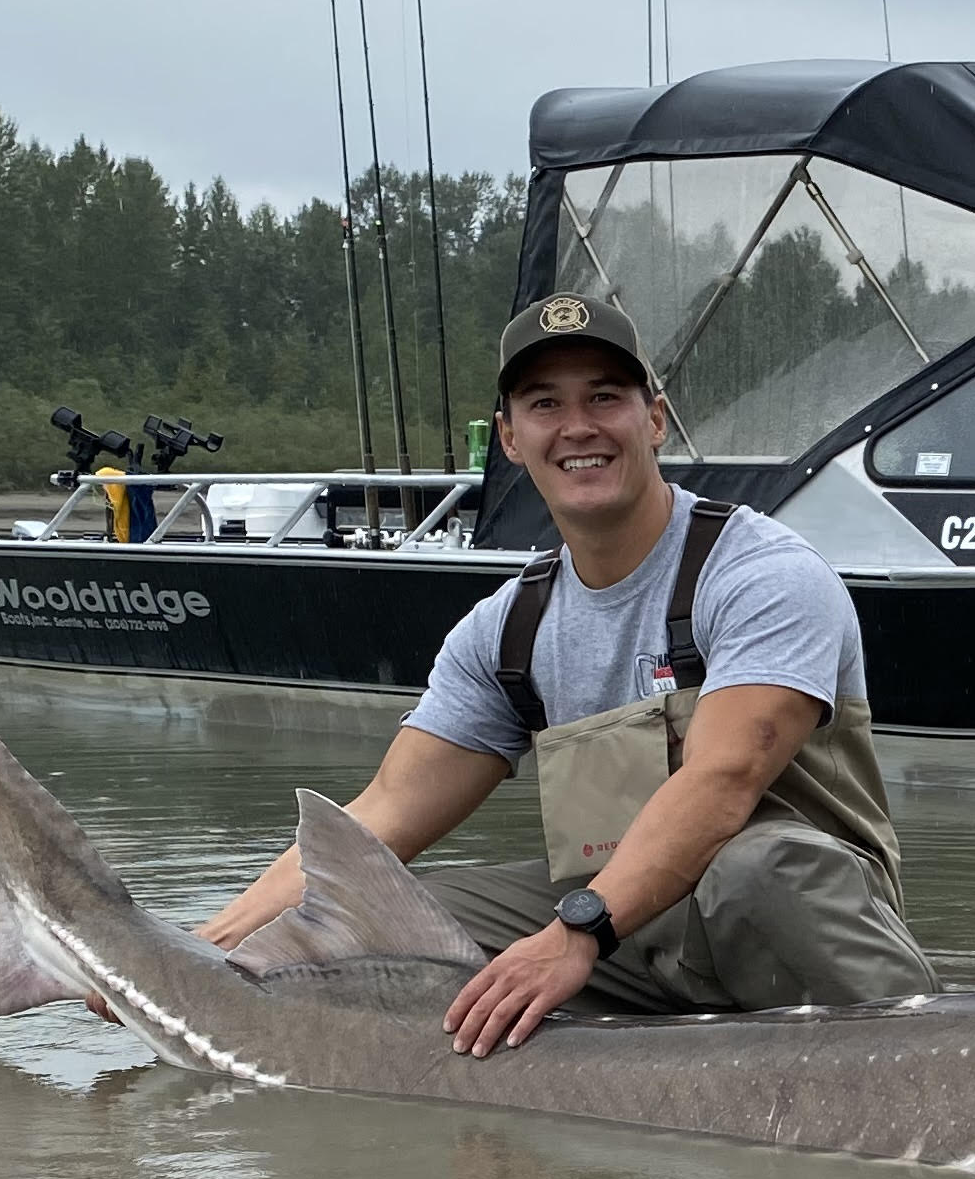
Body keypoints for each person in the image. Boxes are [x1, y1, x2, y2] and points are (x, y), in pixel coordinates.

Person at [192, 290, 933, 1056]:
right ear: (511, 439)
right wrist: (211, 949)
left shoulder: (762, 571)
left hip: (772, 929)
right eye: (546, 404)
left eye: (605, 398)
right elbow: (384, 810)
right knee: (382, 932)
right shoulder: (506, 628)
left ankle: (930, 1062)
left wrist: (577, 934)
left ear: (654, 419)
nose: (578, 427)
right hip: (625, 939)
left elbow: (723, 781)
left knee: (759, 868)